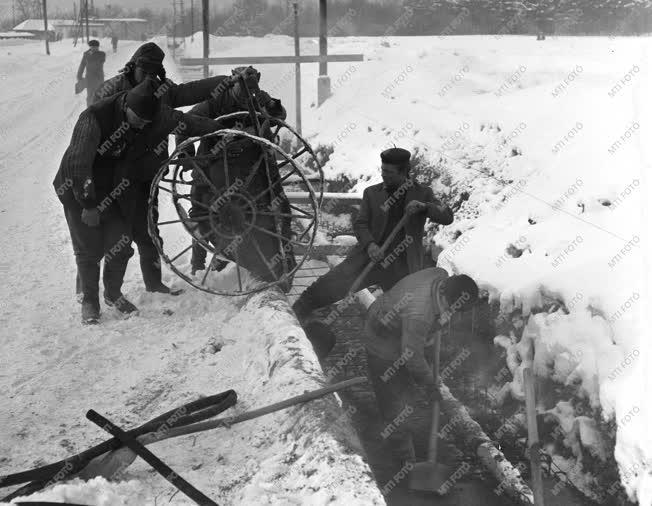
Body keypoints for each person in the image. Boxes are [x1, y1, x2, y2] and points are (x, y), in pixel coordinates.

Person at [55, 78, 227, 324]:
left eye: (148, 122)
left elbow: (187, 123)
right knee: (89, 249)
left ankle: (113, 294)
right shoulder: (94, 117)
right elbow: (79, 164)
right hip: (78, 188)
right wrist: (88, 205)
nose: (143, 125)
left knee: (122, 244)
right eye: (138, 120)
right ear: (126, 106)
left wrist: (218, 128)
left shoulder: (155, 116)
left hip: (112, 188)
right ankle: (90, 302)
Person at [82, 42, 233, 296]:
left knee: (149, 230)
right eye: (145, 71)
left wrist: (226, 81)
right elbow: (94, 131)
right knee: (108, 237)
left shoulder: (159, 89)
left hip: (146, 173)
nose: (149, 78)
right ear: (133, 66)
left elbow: (189, 92)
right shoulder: (111, 90)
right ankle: (91, 293)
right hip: (113, 176)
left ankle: (154, 283)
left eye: (155, 73)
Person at [292, 148, 454, 347]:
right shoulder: (372, 193)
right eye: (382, 170)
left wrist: (424, 207)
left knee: (402, 314)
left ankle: (401, 355)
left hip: (403, 269)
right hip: (369, 259)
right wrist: (370, 245)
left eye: (389, 172)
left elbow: (447, 216)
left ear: (404, 172)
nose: (383, 175)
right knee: (327, 287)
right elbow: (360, 224)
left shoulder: (422, 193)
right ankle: (293, 319)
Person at [174, 66, 289, 276]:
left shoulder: (257, 97)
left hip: (248, 164)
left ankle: (249, 258)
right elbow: (183, 125)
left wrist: (270, 105)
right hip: (214, 162)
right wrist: (186, 155)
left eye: (249, 96)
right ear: (233, 85)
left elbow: (279, 115)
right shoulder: (214, 101)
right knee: (202, 208)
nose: (246, 100)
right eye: (241, 95)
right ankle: (198, 265)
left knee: (258, 207)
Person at [364, 267, 479, 465]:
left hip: (402, 331)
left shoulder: (441, 276)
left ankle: (420, 445)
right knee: (394, 401)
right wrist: (429, 383)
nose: (454, 313)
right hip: (381, 338)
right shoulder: (420, 314)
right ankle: (404, 461)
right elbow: (412, 355)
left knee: (409, 395)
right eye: (453, 308)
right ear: (444, 295)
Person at [76, 40, 105, 107]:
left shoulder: (102, 54)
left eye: (96, 47)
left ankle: (99, 110)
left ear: (98, 47)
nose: (94, 48)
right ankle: (89, 111)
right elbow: (82, 65)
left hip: (99, 78)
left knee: (99, 94)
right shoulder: (86, 54)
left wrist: (90, 54)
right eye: (92, 47)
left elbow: (99, 62)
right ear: (90, 47)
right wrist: (79, 75)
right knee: (90, 95)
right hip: (89, 78)